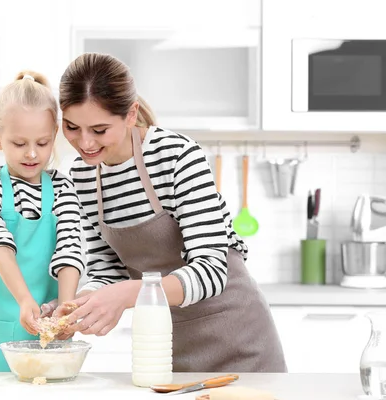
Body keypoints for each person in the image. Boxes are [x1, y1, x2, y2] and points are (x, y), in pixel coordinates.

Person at [45, 53, 287, 373]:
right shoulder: (82, 176)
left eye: (100, 129)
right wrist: (81, 304)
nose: (85, 142)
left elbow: (211, 271)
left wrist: (126, 295)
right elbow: (109, 270)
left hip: (238, 339)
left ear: (130, 115)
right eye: (72, 127)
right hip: (164, 345)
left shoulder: (176, 155)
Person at [0, 70, 85, 372]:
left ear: (54, 135)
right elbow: (0, 247)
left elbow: (70, 248)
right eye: (19, 144)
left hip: (49, 335)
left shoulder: (63, 188)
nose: (32, 154)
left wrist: (66, 310)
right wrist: (24, 300)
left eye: (42, 143)